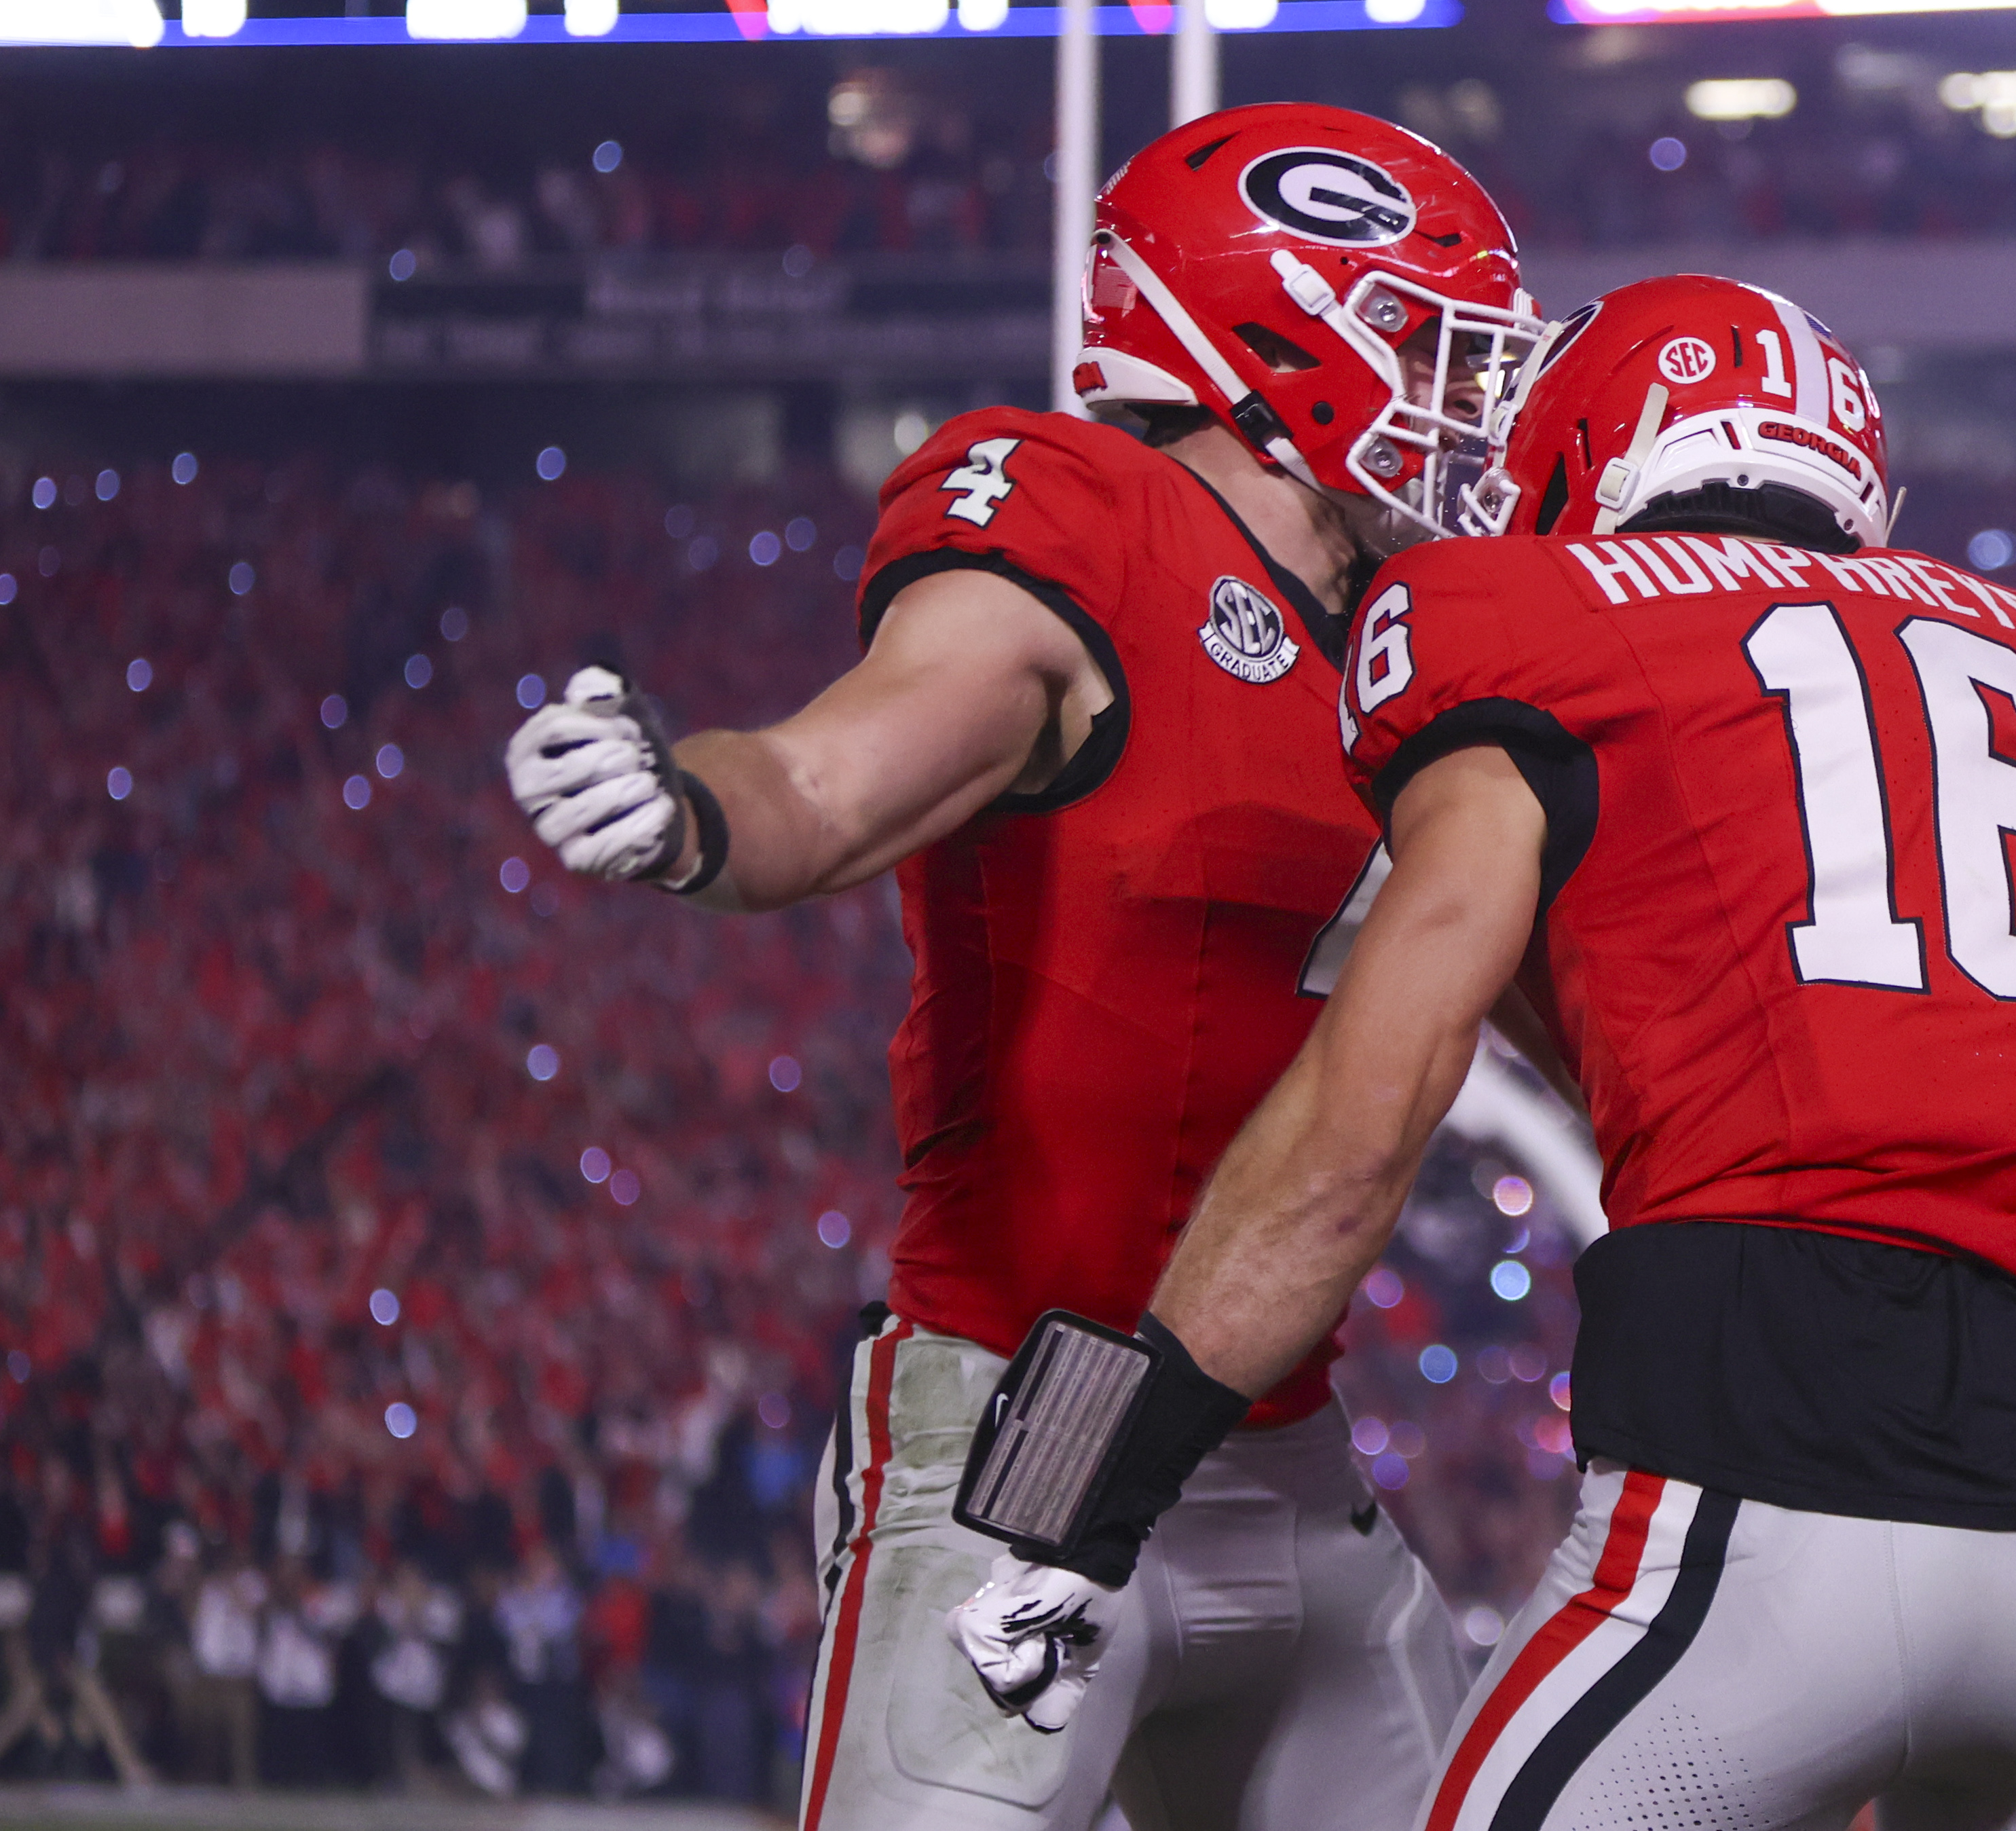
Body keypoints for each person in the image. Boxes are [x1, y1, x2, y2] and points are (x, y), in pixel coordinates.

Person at [949, 275, 2016, 1830]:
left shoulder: (1525, 619)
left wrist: (1084, 1501)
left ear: (1592, 445)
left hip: (1769, 1468)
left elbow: (1353, 1133)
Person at [502, 103, 1546, 1831]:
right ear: (1277, 343)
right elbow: (838, 775)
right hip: (1018, 1434)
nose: (1467, 406)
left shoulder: (1414, 635)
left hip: (1283, 1450)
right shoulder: (1087, 514)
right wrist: (693, 807)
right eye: (1428, 349)